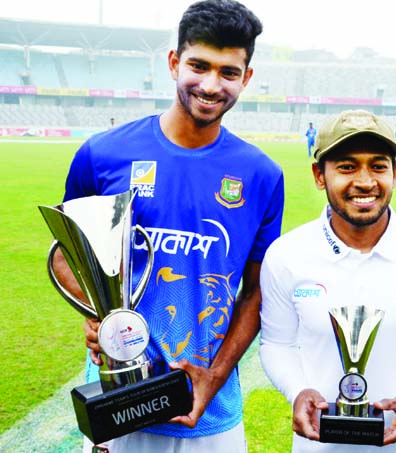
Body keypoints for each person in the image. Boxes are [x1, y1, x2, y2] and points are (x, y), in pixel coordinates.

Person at [52, 1, 284, 451]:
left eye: (229, 72)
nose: (211, 85)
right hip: (117, 402)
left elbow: (256, 293)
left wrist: (213, 378)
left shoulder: (262, 175)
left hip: (209, 410)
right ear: (175, 62)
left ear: (246, 78)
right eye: (199, 65)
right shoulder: (103, 155)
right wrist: (98, 313)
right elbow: (65, 255)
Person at [259, 110, 396, 452]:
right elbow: (277, 344)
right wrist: (298, 391)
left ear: (395, 173)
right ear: (319, 175)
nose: (365, 182)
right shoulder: (287, 254)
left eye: (378, 166)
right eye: (347, 167)